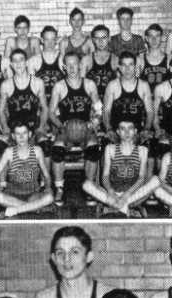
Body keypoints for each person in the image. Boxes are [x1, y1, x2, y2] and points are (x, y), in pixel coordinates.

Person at [48, 51, 101, 205]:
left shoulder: (89, 84)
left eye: (75, 64)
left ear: (80, 65)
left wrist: (94, 123)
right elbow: (51, 112)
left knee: (93, 149)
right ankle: (59, 188)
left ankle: (90, 187)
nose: (72, 67)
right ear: (64, 67)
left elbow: (100, 108)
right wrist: (60, 126)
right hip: (65, 130)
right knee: (57, 150)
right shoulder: (59, 86)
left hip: (85, 129)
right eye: (68, 65)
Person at [82, 119, 164, 216]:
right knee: (86, 184)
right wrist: (111, 192)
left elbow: (141, 179)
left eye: (130, 129)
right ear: (118, 132)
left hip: (132, 195)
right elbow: (105, 176)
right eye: (123, 129)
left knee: (156, 180)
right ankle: (124, 208)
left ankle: (116, 208)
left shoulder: (142, 150)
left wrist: (126, 195)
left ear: (135, 131)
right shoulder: (110, 148)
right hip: (113, 195)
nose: (127, 132)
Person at [0, 122, 54, 217]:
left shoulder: (37, 150)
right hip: (13, 194)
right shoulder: (9, 152)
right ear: (13, 136)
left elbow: (46, 175)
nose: (21, 137)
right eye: (18, 134)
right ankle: (33, 209)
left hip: (33, 194)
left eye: (24, 133)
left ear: (29, 134)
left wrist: (48, 187)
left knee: (49, 197)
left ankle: (18, 210)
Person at [102, 51, 153, 139]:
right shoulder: (112, 85)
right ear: (120, 68)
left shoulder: (144, 86)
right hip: (117, 132)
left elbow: (150, 111)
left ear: (135, 67)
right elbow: (106, 111)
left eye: (130, 65)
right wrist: (109, 129)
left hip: (137, 133)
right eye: (124, 65)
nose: (127, 69)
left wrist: (147, 128)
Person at [0, 49, 47, 139]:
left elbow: (44, 108)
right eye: (15, 61)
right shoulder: (5, 85)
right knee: (0, 145)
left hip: (33, 127)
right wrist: (5, 128)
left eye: (21, 60)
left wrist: (41, 127)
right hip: (13, 128)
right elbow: (1, 110)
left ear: (26, 63)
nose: (18, 63)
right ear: (11, 65)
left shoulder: (38, 82)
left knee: (44, 143)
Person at [30, 26, 65, 100]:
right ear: (42, 40)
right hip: (41, 103)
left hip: (59, 103)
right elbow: (31, 87)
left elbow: (69, 83)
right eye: (47, 40)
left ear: (56, 40)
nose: (50, 43)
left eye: (53, 39)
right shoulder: (34, 60)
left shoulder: (63, 59)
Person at [85, 25, 116, 99]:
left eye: (104, 38)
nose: (100, 41)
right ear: (93, 40)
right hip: (92, 102)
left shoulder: (116, 59)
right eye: (97, 38)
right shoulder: (86, 60)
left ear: (109, 39)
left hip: (111, 102)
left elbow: (121, 85)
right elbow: (81, 86)